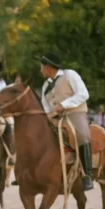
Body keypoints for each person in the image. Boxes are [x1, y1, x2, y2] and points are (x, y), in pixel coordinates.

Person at [37, 52, 93, 190]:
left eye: (41, 66)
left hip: (75, 113)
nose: (40, 70)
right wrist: (48, 115)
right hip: (55, 118)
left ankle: (87, 175)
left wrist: (64, 105)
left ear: (48, 67)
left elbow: (84, 94)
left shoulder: (70, 75)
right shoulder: (45, 87)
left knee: (81, 134)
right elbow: (45, 106)